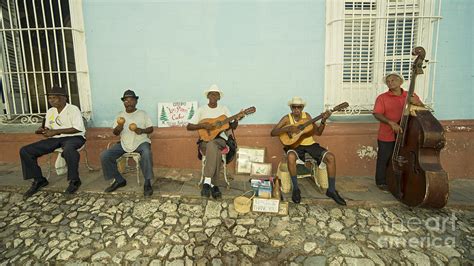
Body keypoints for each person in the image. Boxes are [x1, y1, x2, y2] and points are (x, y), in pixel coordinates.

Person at [270, 96, 346, 205]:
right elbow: (273, 133)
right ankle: (296, 189)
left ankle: (332, 190)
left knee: (331, 157)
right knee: (291, 156)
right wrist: (287, 128)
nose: (296, 109)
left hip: (310, 145)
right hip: (294, 146)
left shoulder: (307, 117)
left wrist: (323, 120)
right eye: (294, 107)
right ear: (291, 108)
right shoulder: (287, 118)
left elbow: (318, 132)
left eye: (299, 107)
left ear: (302, 107)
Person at [20, 86, 86, 198]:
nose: (51, 100)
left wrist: (56, 132)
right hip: (55, 139)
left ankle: (74, 180)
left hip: (75, 137)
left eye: (54, 98)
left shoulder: (73, 109)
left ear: (64, 98)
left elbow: (78, 128)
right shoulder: (50, 111)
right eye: (49, 98)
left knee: (69, 150)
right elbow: (48, 128)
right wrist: (43, 130)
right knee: (26, 151)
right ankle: (39, 180)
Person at [186, 85, 243, 199]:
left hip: (221, 140)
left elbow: (232, 126)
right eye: (211, 94)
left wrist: (237, 119)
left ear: (219, 97)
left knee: (213, 144)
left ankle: (206, 182)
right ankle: (214, 185)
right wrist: (203, 125)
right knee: (213, 148)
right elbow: (189, 126)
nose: (213, 96)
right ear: (208, 96)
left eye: (216, 94)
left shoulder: (224, 109)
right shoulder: (201, 110)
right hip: (205, 140)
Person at [373, 72, 424, 190]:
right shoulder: (382, 98)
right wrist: (391, 123)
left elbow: (422, 110)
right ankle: (381, 181)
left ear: (400, 82)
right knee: (384, 158)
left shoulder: (410, 95)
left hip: (408, 134)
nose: (390, 83)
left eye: (393, 80)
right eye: (388, 81)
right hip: (387, 133)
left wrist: (418, 103)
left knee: (406, 158)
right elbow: (377, 113)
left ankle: (402, 180)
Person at [100, 89, 155, 197]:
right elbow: (115, 133)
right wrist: (119, 126)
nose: (128, 102)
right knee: (105, 155)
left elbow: (151, 129)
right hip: (124, 143)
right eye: (126, 100)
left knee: (147, 153)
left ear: (136, 101)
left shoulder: (142, 113)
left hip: (141, 142)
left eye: (131, 100)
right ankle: (119, 180)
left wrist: (141, 130)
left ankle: (147, 182)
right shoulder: (120, 115)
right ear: (123, 102)